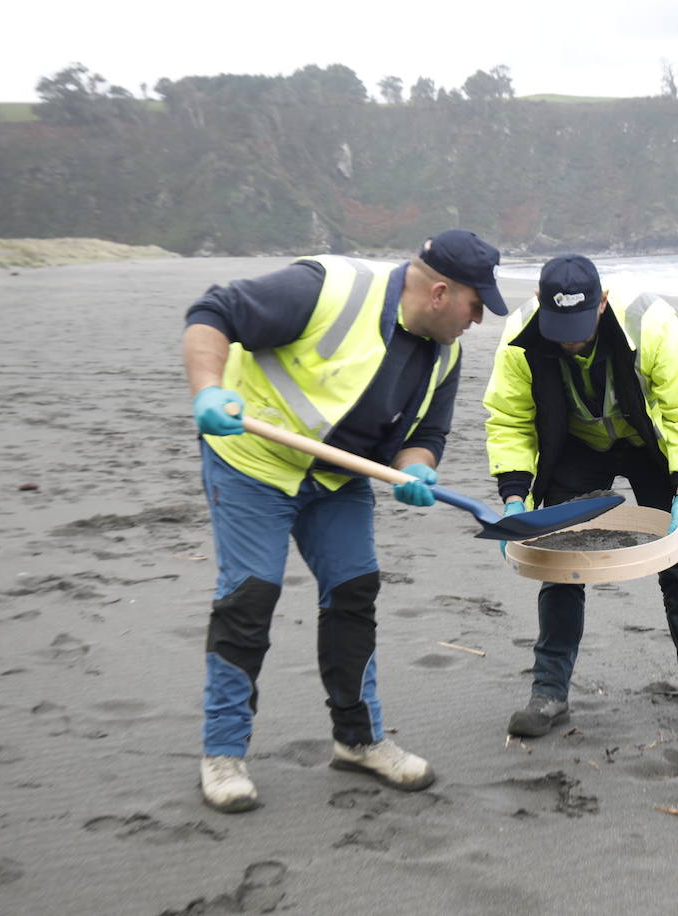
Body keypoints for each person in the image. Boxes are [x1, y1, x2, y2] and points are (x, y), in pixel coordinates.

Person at [182, 229, 509, 812]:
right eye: (475, 304)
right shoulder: (327, 289)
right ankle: (223, 753)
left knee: (354, 589)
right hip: (252, 464)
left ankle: (358, 740)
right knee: (250, 596)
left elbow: (425, 434)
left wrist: (415, 470)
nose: (478, 319)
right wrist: (208, 390)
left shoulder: (446, 352)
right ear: (440, 292)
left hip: (335, 480)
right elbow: (213, 311)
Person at [483, 254, 678, 742]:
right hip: (575, 445)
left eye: (579, 326)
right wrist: (514, 497)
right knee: (558, 560)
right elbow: (510, 418)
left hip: (648, 444)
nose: (570, 339)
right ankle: (549, 693)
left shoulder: (651, 322)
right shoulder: (521, 336)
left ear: (602, 302)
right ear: (539, 303)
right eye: (559, 327)